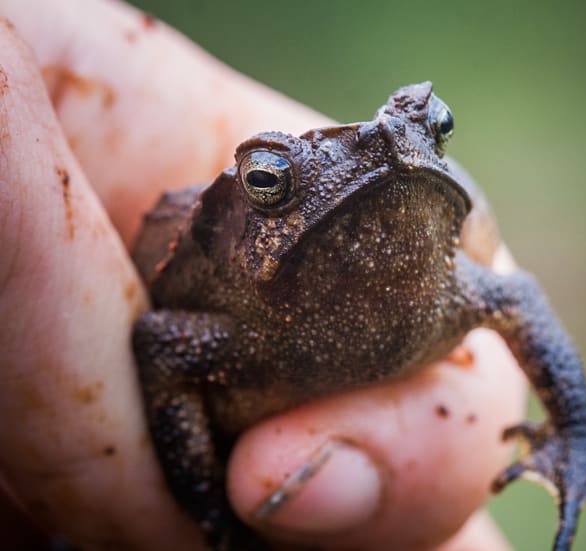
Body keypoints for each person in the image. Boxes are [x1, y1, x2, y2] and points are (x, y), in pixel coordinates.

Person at [0, 0, 528, 548]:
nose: (394, 152)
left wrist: (575, 439)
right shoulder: (240, 328)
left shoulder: (455, 290)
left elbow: (521, 300)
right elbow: (160, 341)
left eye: (434, 127)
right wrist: (202, 502)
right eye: (272, 179)